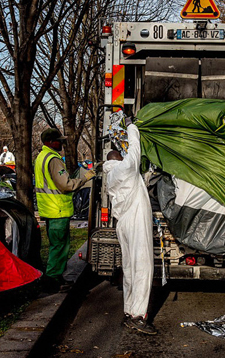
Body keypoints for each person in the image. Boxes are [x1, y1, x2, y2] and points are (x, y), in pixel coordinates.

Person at [103, 120, 156, 335]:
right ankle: (138, 316)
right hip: (135, 222)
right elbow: (134, 151)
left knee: (130, 267)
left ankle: (129, 309)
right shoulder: (123, 169)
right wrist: (133, 128)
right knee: (142, 266)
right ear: (117, 160)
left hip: (124, 223)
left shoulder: (110, 175)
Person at [35, 128, 96, 292]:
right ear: (50, 142)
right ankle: (52, 281)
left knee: (57, 246)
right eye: (58, 140)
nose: (61, 143)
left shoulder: (42, 157)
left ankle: (56, 277)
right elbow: (66, 185)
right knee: (59, 247)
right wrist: (85, 178)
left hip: (50, 209)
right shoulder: (53, 159)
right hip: (58, 210)